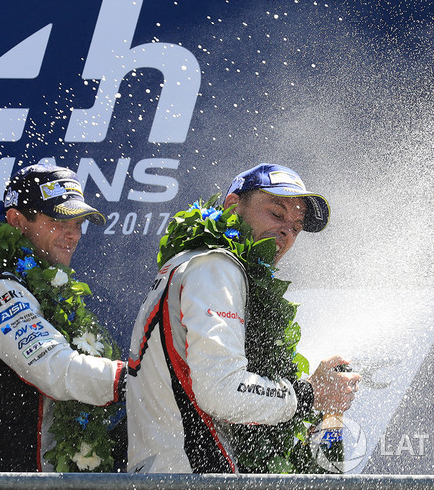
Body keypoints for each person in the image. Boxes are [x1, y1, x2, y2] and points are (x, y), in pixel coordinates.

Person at [126, 163, 361, 473]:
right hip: (185, 476)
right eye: (277, 214)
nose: (286, 232)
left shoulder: (197, 262)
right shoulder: (216, 267)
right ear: (233, 206)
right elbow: (220, 391)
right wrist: (310, 394)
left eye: (296, 226)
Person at [0, 164, 126, 472]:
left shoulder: (50, 292)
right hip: (9, 481)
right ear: (17, 221)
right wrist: (137, 377)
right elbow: (57, 370)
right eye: (59, 220)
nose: (72, 234)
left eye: (78, 223)